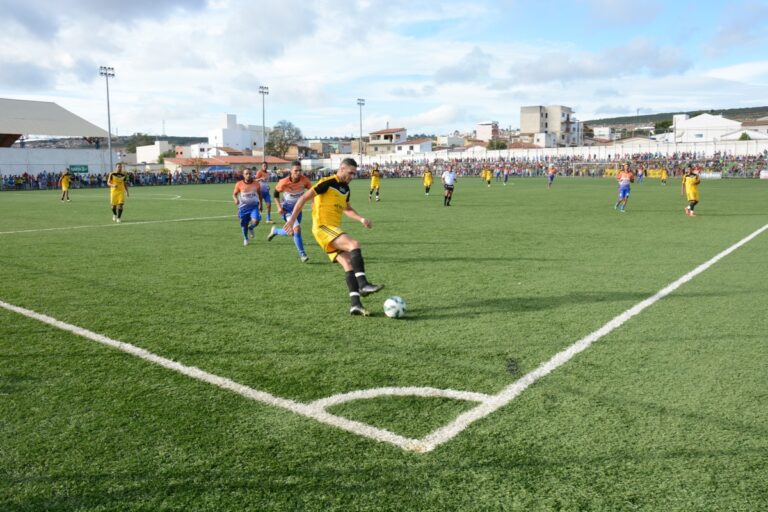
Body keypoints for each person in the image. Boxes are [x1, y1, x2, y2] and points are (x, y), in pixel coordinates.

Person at [283, 158, 384, 316]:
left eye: (354, 174)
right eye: (350, 173)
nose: (352, 176)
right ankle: (363, 284)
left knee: (348, 263)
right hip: (323, 227)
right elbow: (303, 198)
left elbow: (347, 208)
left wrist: (361, 219)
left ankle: (355, 304)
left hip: (332, 229)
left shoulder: (346, 189)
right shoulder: (328, 182)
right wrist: (291, 220)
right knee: (354, 244)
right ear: (342, 168)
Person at [268, 161, 313, 262]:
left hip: (298, 210)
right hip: (287, 209)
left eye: (300, 170)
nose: (298, 172)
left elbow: (313, 191)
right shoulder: (284, 182)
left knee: (292, 232)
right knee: (297, 229)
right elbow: (275, 195)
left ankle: (275, 231)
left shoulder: (305, 180)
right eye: (296, 171)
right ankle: (303, 255)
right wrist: (279, 207)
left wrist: (313, 202)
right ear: (291, 171)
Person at [233, 168, 262, 246]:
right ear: (243, 175)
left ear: (252, 174)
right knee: (244, 224)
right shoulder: (239, 184)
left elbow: (259, 194)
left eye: (250, 173)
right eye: (246, 174)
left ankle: (251, 227)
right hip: (243, 208)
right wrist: (235, 199)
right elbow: (234, 194)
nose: (248, 175)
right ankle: (246, 238)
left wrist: (261, 204)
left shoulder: (256, 184)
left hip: (254, 207)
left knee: (256, 221)